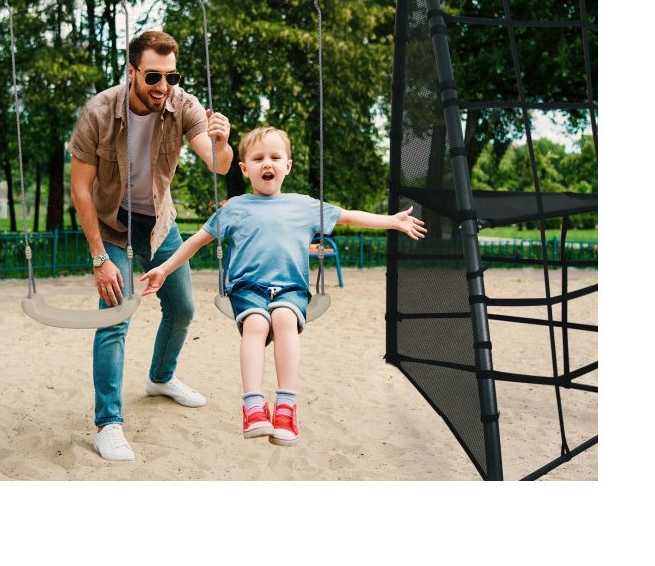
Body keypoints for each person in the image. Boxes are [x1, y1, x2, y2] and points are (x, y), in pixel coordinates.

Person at [140, 126, 426, 447]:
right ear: (244, 168)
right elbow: (196, 240)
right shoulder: (234, 208)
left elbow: (348, 216)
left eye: (275, 157)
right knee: (256, 324)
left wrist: (391, 221)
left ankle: (286, 407)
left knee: (284, 318)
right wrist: (164, 269)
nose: (267, 163)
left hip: (291, 288)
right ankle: (253, 406)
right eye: (258, 158)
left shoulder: (304, 206)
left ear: (287, 166)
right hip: (247, 288)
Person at [68, 30, 233, 462]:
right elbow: (80, 189)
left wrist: (222, 143)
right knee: (116, 316)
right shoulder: (99, 112)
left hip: (158, 222)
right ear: (132, 71)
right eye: (153, 76)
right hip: (111, 225)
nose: (163, 86)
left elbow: (218, 165)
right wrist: (99, 257)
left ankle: (161, 377)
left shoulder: (183, 105)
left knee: (183, 308)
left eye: (171, 76)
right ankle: (108, 423)